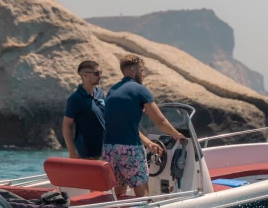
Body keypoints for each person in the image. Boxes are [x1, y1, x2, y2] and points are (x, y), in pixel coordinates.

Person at [103, 54, 185, 197]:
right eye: (141, 70)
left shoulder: (112, 90)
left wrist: (148, 143)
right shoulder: (140, 90)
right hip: (130, 149)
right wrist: (176, 134)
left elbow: (125, 125)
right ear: (133, 71)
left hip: (109, 148)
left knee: (119, 193)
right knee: (142, 193)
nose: (144, 74)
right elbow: (160, 121)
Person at [62, 60, 106, 159]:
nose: (100, 75)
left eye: (100, 72)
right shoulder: (75, 99)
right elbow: (67, 125)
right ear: (85, 75)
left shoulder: (100, 93)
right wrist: (72, 152)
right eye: (96, 73)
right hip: (88, 154)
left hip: (106, 151)